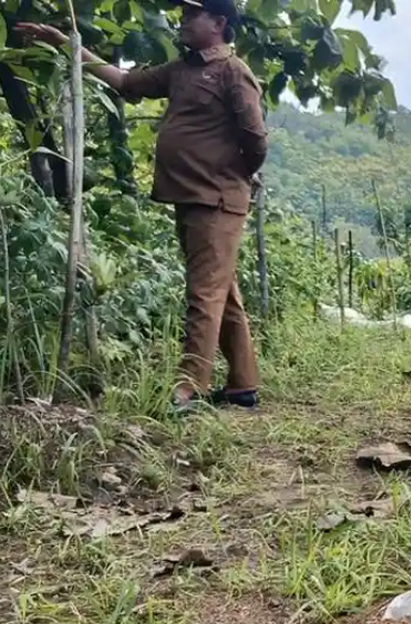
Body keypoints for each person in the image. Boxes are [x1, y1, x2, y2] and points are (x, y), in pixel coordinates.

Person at [18, 0, 268, 414]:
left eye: (193, 14)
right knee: (220, 290)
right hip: (189, 195)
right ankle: (242, 385)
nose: (183, 20)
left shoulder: (231, 71)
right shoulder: (181, 69)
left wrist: (237, 174)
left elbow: (256, 139)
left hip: (217, 198)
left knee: (204, 293)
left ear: (219, 22)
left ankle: (190, 386)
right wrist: (68, 43)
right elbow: (124, 81)